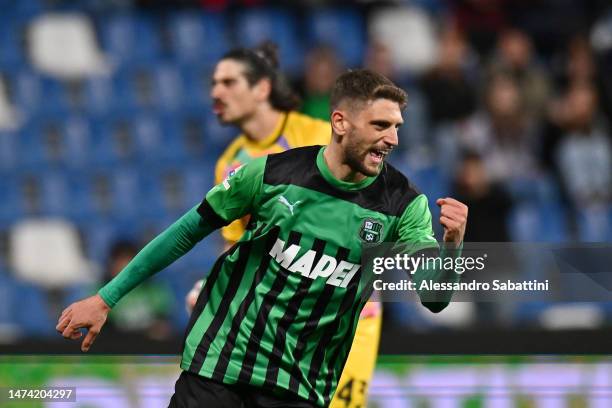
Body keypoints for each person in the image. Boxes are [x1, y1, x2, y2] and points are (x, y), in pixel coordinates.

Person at [56, 69, 468, 408]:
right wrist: (106, 297)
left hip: (301, 386)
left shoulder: (403, 204)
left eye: (396, 127)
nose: (393, 139)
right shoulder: (269, 175)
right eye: (380, 125)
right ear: (340, 122)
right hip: (221, 367)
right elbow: (185, 232)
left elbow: (433, 299)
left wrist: (452, 245)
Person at [187, 42, 383, 408]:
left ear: (261, 89)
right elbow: (236, 245)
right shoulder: (230, 164)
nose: (217, 93)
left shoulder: (317, 134)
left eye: (230, 84)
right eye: (215, 83)